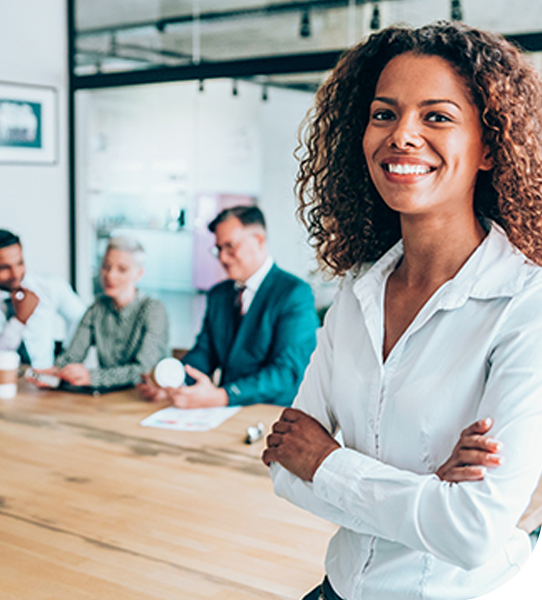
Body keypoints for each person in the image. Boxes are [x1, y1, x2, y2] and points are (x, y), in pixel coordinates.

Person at [262, 21, 542, 600]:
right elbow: (285, 464)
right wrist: (426, 491)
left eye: (436, 116)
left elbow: (472, 533)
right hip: (339, 587)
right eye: (384, 114)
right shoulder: (358, 290)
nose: (402, 136)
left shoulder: (526, 305)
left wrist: (331, 463)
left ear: (489, 146)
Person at [138, 205, 318, 407]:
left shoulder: (294, 293)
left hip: (272, 412)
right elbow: (204, 354)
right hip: (223, 411)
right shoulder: (219, 294)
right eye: (219, 249)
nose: (222, 258)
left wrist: (222, 396)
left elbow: (286, 372)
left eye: (230, 246)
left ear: (258, 240)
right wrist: (172, 384)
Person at [33, 236, 169, 390]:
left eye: (122, 269)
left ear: (139, 274)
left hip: (149, 398)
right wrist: (55, 372)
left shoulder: (153, 310)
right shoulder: (96, 309)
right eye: (106, 266)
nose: (110, 275)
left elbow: (144, 370)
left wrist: (92, 377)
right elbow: (72, 357)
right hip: (110, 399)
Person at [0, 229, 86, 368]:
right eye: (4, 267)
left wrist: (67, 359)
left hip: (44, 381)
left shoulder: (48, 286)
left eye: (20, 263)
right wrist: (19, 320)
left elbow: (83, 320)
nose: (15, 274)